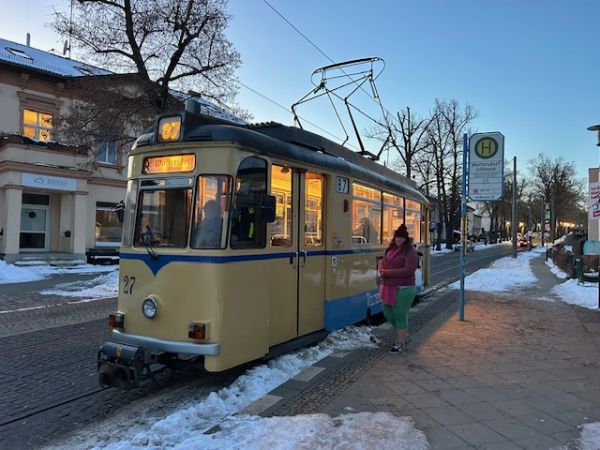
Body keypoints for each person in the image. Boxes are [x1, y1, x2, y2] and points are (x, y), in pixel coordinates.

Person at [378, 224, 418, 353]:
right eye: (397, 237)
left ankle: (400, 342)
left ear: (406, 239)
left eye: (402, 238)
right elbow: (385, 263)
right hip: (389, 286)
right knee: (387, 312)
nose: (399, 240)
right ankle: (405, 335)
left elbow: (409, 270)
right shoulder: (391, 249)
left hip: (405, 287)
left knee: (399, 314)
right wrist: (382, 268)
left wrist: (388, 272)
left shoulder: (410, 251)